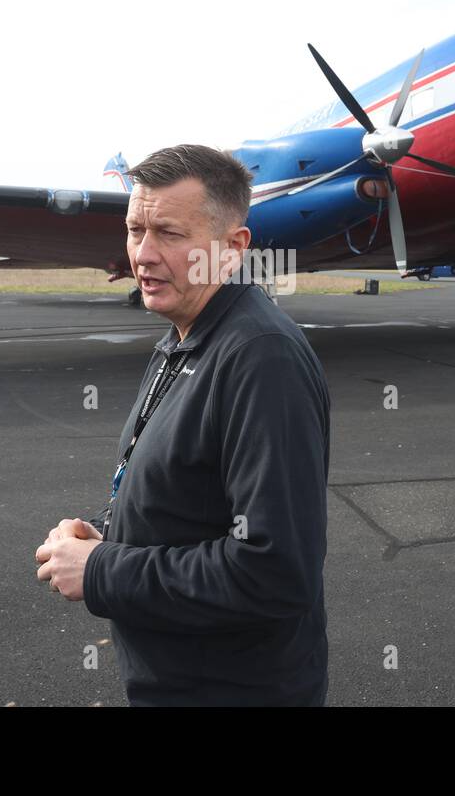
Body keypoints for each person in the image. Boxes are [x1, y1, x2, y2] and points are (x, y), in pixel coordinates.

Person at [34, 143, 330, 706]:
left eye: (169, 234)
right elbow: (188, 499)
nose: (142, 255)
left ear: (233, 248)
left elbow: (275, 572)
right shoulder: (185, 336)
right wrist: (108, 534)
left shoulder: (261, 359)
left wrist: (102, 572)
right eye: (134, 230)